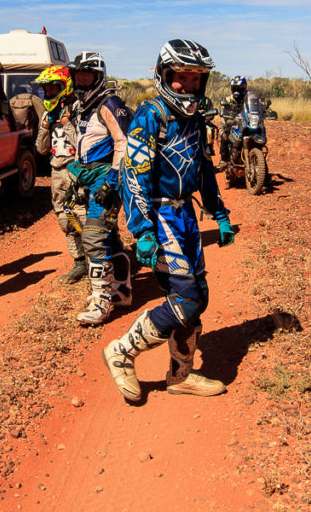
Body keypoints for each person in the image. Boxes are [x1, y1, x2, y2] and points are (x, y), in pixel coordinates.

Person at [104, 39, 235, 401]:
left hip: (186, 217)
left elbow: (205, 169)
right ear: (164, 75)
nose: (189, 86)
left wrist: (219, 213)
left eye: (196, 80)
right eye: (182, 78)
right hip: (159, 216)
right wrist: (143, 229)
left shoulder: (194, 119)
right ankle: (121, 353)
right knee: (186, 298)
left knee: (199, 296)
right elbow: (134, 175)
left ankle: (180, 376)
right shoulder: (151, 115)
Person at [67, 51, 133, 325]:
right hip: (92, 177)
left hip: (107, 177)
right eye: (78, 76)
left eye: (87, 76)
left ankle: (100, 301)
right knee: (110, 236)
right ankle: (122, 291)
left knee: (93, 237)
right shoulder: (83, 105)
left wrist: (111, 180)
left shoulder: (109, 102)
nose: (82, 81)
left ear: (99, 76)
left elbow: (124, 142)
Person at [33, 66, 88, 284]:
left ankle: (101, 259)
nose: (49, 92)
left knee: (84, 215)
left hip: (76, 170)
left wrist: (67, 125)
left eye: (53, 87)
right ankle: (79, 261)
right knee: (65, 218)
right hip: (56, 171)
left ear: (65, 86)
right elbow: (40, 149)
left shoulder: (79, 109)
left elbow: (84, 146)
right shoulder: (48, 114)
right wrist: (46, 128)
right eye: (46, 88)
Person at [218, 75, 247, 166]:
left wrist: (265, 109)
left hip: (245, 122)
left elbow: (258, 105)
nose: (237, 90)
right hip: (230, 122)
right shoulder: (228, 99)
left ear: (244, 87)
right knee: (224, 135)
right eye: (235, 88)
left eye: (239, 88)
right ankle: (224, 160)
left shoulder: (248, 97)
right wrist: (227, 119)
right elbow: (222, 110)